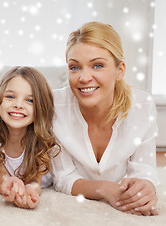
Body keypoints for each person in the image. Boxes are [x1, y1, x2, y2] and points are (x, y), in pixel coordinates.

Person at [51, 22, 159, 216]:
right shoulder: (54, 106)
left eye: (97, 65)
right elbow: (63, 177)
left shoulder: (142, 106)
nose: (84, 77)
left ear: (120, 70)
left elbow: (144, 169)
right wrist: (105, 189)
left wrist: (145, 188)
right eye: (75, 67)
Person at [0, 66, 60, 209]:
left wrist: (31, 190)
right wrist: (10, 187)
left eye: (30, 100)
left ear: (41, 108)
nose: (18, 105)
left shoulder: (42, 137)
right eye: (10, 97)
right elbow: (2, 179)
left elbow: (36, 181)